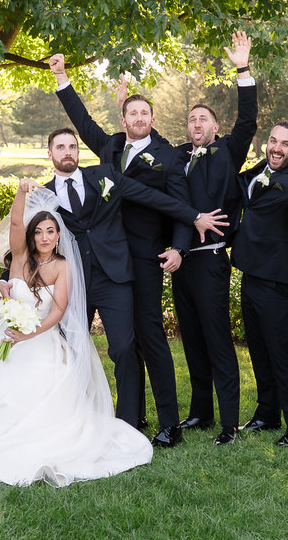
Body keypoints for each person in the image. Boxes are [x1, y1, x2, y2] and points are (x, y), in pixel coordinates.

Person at [0, 183, 154, 486]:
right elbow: (17, 222)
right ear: (31, 236)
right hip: (8, 336)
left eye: (50, 231)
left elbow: (58, 312)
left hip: (42, 339)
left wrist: (28, 336)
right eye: (39, 232)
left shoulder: (62, 267)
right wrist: (21, 193)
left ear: (58, 235)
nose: (44, 237)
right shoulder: (20, 259)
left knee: (42, 378)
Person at [42, 127, 226, 443]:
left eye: (73, 145)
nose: (68, 151)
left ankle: (125, 424)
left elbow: (153, 197)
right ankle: (73, 420)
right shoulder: (42, 194)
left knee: (125, 348)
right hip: (73, 281)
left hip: (115, 276)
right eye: (60, 147)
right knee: (72, 350)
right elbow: (27, 240)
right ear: (50, 154)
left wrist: (193, 216)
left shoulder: (103, 177)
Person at [49, 53, 195, 446]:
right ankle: (132, 416)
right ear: (124, 118)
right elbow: (82, 123)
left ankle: (169, 423)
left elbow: (173, 204)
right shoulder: (110, 149)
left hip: (144, 259)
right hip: (102, 259)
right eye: (132, 112)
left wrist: (181, 243)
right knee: (121, 344)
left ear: (152, 117)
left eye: (145, 112)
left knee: (148, 338)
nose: (139, 118)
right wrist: (62, 77)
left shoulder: (167, 157)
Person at [171, 32, 257, 446]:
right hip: (179, 262)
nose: (197, 124)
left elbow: (249, 121)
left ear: (215, 127)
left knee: (218, 340)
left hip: (210, 261)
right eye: (191, 120)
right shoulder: (175, 155)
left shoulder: (227, 151)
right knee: (192, 340)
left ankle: (228, 423)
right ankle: (200, 413)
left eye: (203, 119)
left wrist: (242, 69)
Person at [231, 122, 288, 446]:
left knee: (281, 353)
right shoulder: (260, 171)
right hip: (253, 274)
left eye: (285, 144)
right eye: (273, 141)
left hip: (281, 280)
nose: (277, 148)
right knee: (259, 349)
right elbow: (240, 188)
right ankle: (267, 413)